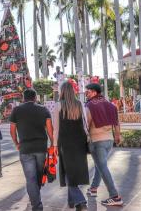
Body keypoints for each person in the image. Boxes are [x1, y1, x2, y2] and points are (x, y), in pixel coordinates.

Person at [10, 89, 54, 211]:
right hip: (41, 148)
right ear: (35, 98)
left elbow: (12, 130)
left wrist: (16, 143)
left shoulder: (16, 110)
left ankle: (36, 203)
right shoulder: (43, 109)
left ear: (23, 98)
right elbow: (50, 128)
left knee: (31, 179)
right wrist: (53, 144)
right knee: (38, 176)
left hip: (25, 148)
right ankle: (36, 200)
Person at [85, 83, 123, 206]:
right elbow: (116, 122)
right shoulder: (110, 105)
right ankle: (93, 188)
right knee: (100, 165)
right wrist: (117, 136)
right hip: (109, 140)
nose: (87, 93)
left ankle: (115, 196)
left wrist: (85, 137)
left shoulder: (90, 105)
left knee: (102, 167)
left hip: (97, 141)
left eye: (89, 91)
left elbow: (87, 124)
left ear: (95, 92)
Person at [53, 82, 89, 211]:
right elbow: (85, 125)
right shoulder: (80, 104)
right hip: (79, 142)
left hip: (65, 143)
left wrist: (54, 146)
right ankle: (71, 202)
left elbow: (55, 129)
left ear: (62, 91)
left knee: (68, 173)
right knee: (73, 172)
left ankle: (81, 201)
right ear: (73, 91)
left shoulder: (58, 106)